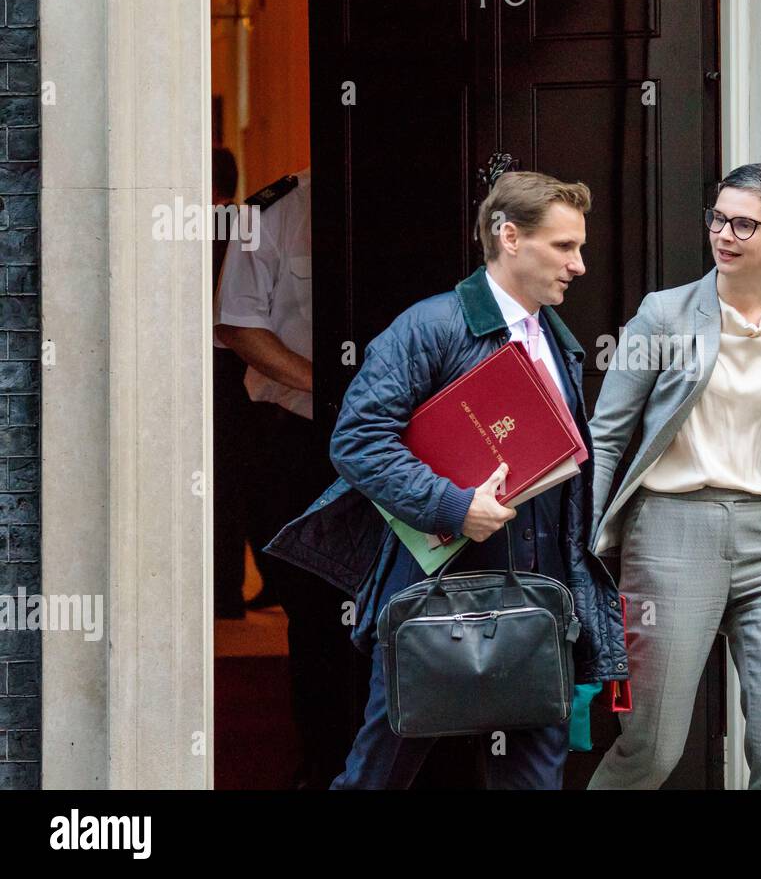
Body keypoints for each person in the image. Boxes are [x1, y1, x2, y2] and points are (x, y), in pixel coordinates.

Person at [263, 171, 630, 789]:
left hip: (536, 600)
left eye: (580, 247)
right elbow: (357, 441)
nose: (580, 265)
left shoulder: (558, 343)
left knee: (533, 780)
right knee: (379, 774)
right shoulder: (430, 326)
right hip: (438, 595)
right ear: (510, 237)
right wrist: (453, 505)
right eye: (564, 247)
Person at [586, 163, 761, 789]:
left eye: (744, 223)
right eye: (718, 218)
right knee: (652, 751)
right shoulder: (662, 315)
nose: (724, 234)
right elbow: (606, 436)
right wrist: (585, 545)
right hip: (670, 535)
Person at [214, 167, 367, 789]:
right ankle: (326, 764)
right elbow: (237, 326)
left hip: (399, 442)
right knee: (315, 613)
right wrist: (331, 387)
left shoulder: (418, 200)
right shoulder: (272, 211)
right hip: (297, 440)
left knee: (392, 611)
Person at [212, 147, 252, 620]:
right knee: (236, 482)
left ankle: (224, 590)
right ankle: (230, 590)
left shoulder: (212, 225)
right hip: (245, 374)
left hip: (222, 370)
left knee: (225, 483)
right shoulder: (248, 220)